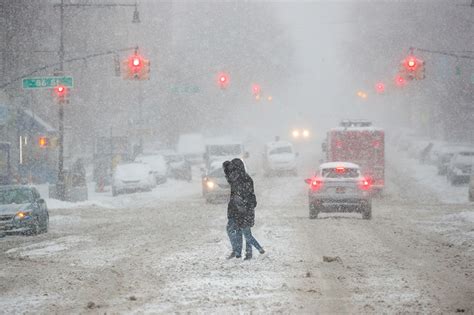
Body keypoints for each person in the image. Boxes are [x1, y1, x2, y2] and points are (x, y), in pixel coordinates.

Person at [223, 158, 265, 260]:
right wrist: (226, 168)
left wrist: (244, 207)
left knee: (245, 233)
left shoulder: (244, 180)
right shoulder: (237, 178)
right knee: (239, 231)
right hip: (238, 210)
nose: (232, 169)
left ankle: (255, 251)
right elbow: (229, 178)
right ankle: (241, 252)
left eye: (234, 167)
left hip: (243, 210)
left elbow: (248, 196)